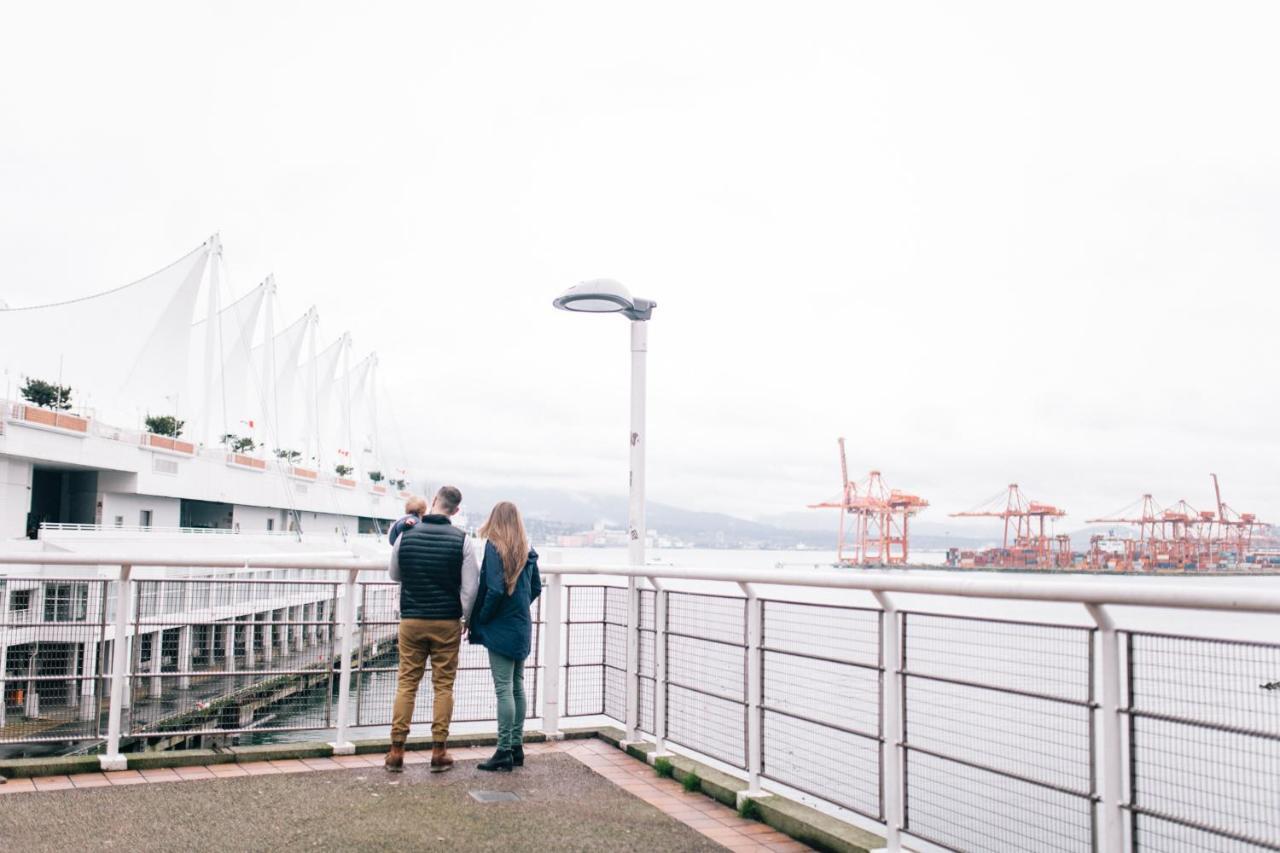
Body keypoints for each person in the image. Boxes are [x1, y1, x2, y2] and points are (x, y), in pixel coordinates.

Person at [384, 485, 479, 773]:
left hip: (412, 619)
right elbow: (470, 588)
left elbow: (394, 574)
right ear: (457, 510)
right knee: (443, 686)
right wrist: (465, 618)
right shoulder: (462, 540)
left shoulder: (406, 534)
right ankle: (439, 751)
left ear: (434, 502)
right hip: (446, 622)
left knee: (407, 684)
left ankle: (396, 750)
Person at [469, 501, 542, 772]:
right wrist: (519, 607)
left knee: (503, 688)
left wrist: (483, 617)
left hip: (500, 626)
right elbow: (535, 588)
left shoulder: (494, 546)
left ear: (495, 519)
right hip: (520, 624)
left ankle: (502, 751)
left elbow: (495, 589)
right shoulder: (527, 549)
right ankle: (516, 746)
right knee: (516, 685)